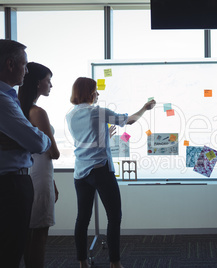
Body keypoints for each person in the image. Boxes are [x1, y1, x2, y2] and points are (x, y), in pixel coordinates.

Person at [66, 77, 156, 268]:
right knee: (114, 217)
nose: (98, 94)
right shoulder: (98, 112)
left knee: (82, 218)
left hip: (80, 173)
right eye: (96, 90)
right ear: (90, 92)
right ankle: (114, 263)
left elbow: (85, 139)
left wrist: (104, 135)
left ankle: (82, 262)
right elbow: (129, 121)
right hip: (101, 172)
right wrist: (144, 108)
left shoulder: (70, 115)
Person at [0, 39, 51, 267]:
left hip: (17, 180)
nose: (26, 70)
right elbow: (39, 143)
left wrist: (20, 139)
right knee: (12, 251)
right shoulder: (3, 101)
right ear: (10, 64)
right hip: (10, 186)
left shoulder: (11, 100)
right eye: (24, 64)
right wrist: (29, 138)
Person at [18, 62, 60, 268]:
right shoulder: (38, 112)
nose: (51, 85)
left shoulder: (18, 108)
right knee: (40, 235)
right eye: (48, 80)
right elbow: (54, 152)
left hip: (30, 173)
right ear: (37, 83)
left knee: (27, 234)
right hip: (40, 175)